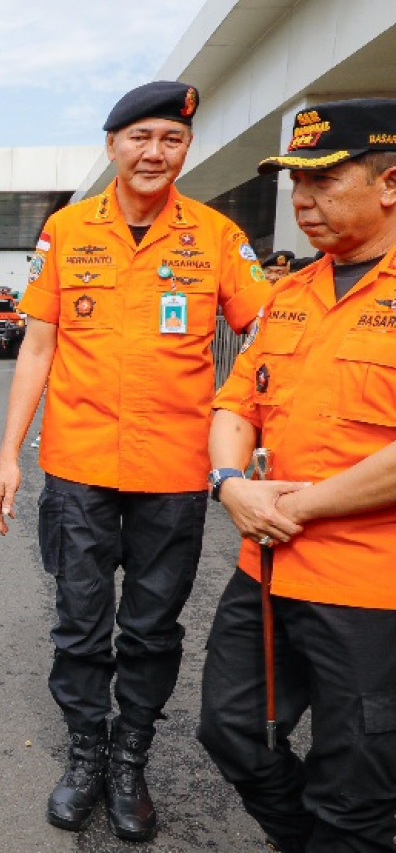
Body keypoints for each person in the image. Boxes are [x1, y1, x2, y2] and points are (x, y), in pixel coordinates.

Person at [0, 81, 270, 841]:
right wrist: (9, 455)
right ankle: (85, 752)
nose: (154, 153)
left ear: (186, 150)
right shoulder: (67, 230)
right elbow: (37, 348)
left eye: (170, 140)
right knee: (80, 625)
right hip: (78, 467)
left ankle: (131, 756)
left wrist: (245, 428)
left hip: (175, 474)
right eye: (140, 137)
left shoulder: (214, 236)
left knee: (150, 628)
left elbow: (268, 333)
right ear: (112, 145)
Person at [199, 98, 396, 853]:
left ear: (389, 184)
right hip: (269, 572)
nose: (301, 202)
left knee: (358, 783)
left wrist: (301, 505)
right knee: (232, 731)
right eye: (294, 184)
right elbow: (233, 402)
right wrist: (228, 481)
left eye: (322, 181)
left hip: (371, 594)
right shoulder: (289, 294)